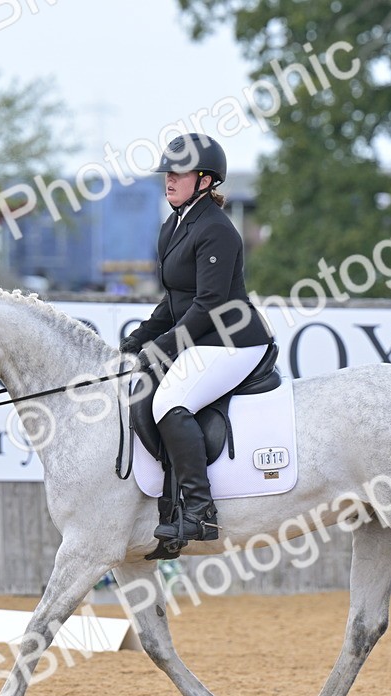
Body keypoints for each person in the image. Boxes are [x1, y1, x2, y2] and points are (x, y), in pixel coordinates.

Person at [119, 133, 274, 552]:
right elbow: (173, 302)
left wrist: (167, 346)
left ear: (205, 180)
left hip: (234, 341)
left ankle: (200, 510)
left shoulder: (217, 231)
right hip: (203, 338)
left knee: (170, 402)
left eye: (179, 172)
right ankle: (168, 502)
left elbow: (209, 303)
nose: (168, 179)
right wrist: (139, 339)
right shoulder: (174, 225)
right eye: (167, 172)